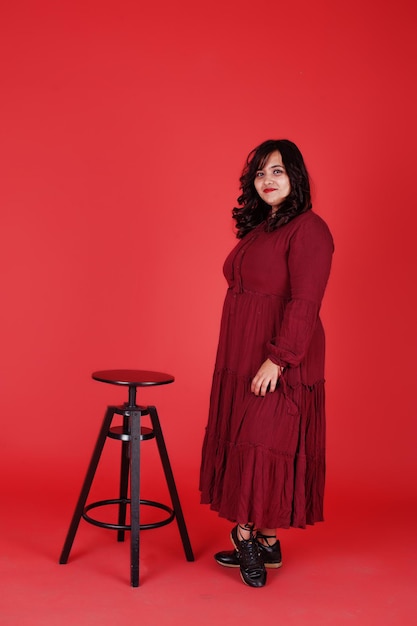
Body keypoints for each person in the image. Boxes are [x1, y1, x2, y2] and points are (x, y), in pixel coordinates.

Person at [199, 139, 334, 588]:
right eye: (259, 173)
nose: (267, 181)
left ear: (295, 176)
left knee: (264, 440)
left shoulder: (309, 229)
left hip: (280, 355)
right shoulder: (264, 228)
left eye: (277, 171)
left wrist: (278, 359)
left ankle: (245, 536)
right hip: (244, 353)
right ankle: (269, 542)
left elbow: (306, 301)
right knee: (253, 440)